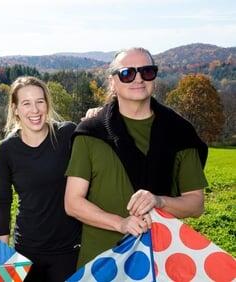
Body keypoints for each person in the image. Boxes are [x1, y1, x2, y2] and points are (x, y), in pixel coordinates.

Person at [64, 47, 208, 268]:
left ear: (154, 78)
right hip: (101, 264)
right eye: (127, 73)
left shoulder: (180, 132)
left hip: (158, 261)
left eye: (147, 71)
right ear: (113, 81)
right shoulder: (91, 131)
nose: (138, 79)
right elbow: (73, 203)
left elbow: (196, 204)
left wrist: (160, 201)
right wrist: (120, 223)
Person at [0, 76, 81, 281]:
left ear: (47, 104)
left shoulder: (67, 134)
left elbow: (98, 139)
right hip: (27, 250)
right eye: (26, 103)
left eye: (40, 101)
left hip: (68, 249)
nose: (35, 110)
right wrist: (2, 252)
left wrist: (97, 114)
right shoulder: (5, 151)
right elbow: (3, 203)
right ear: (15, 109)